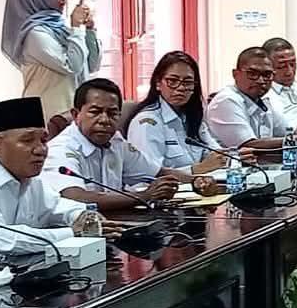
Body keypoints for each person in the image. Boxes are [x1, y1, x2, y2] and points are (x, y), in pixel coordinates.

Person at [43, 79, 218, 212]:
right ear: (76, 114)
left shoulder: (115, 142)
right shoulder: (61, 150)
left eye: (112, 113)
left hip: (114, 225)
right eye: (95, 112)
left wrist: (196, 181)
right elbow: (76, 197)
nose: (104, 120)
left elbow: (158, 172)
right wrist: (143, 196)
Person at [0, 97, 121, 253]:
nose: (41, 150)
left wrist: (83, 215)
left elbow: (56, 206)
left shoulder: (33, 181)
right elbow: (0, 238)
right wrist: (72, 232)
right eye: (27, 140)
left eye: (43, 140)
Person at [1, 0, 100, 119]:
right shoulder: (34, 34)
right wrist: (76, 27)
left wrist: (89, 30)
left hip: (74, 115)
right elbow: (71, 66)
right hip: (48, 117)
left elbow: (91, 65)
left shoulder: (60, 26)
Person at [205, 47, 297, 151]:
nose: (260, 80)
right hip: (232, 173)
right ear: (236, 74)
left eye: (267, 75)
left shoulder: (261, 100)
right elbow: (249, 146)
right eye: (252, 74)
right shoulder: (227, 100)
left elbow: (288, 131)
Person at [125, 52, 228, 174]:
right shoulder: (147, 123)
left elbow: (216, 154)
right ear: (158, 83)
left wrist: (235, 156)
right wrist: (197, 169)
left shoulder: (191, 117)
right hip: (169, 186)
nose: (181, 88)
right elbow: (147, 173)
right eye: (172, 81)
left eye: (188, 82)